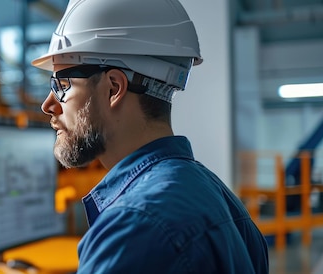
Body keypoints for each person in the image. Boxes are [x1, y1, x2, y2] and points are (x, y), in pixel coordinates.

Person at [32, 0, 269, 273]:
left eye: (62, 85)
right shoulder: (221, 200)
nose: (48, 105)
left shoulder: (135, 226)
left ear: (113, 88)